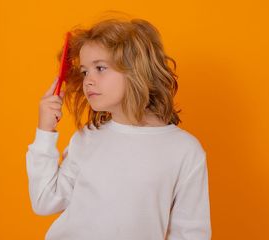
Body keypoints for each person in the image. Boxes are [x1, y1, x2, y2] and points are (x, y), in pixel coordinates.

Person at [26, 17, 212, 240]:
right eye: (85, 72)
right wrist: (45, 132)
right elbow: (44, 201)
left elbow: (190, 232)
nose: (88, 81)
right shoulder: (87, 138)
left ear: (137, 70)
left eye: (100, 68)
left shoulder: (184, 150)